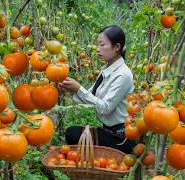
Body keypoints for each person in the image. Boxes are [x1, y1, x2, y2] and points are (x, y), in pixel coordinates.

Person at [58, 25, 136, 154]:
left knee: (73, 134)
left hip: (120, 138)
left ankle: (114, 153)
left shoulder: (123, 75)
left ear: (117, 47)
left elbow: (105, 108)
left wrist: (78, 89)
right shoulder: (106, 69)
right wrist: (70, 90)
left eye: (102, 45)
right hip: (108, 130)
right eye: (97, 45)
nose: (98, 49)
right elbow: (90, 94)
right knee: (72, 132)